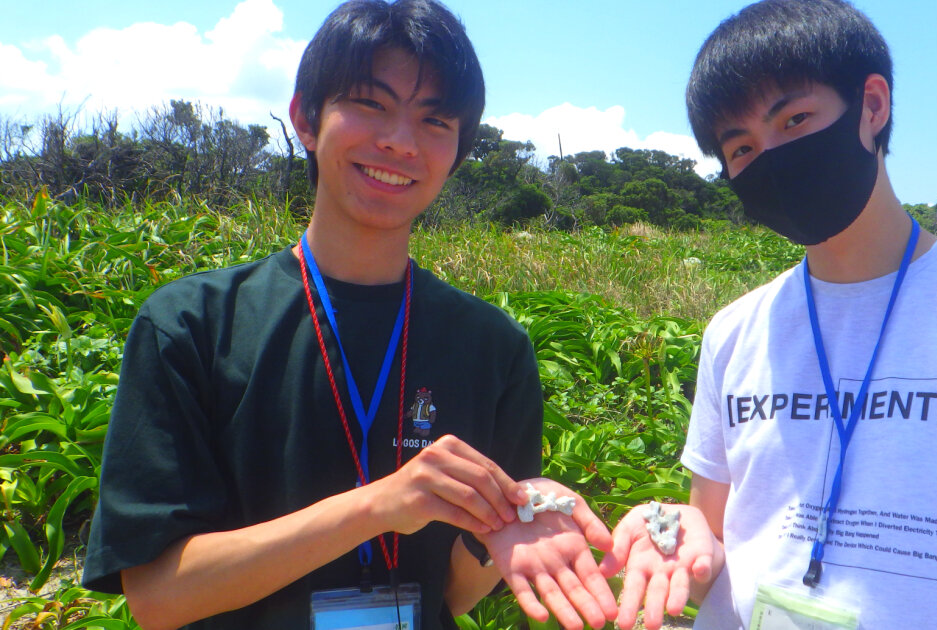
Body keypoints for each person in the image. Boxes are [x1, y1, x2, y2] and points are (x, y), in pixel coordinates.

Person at [81, 2, 617, 629]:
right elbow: (157, 597)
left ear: (457, 150)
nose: (400, 140)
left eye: (435, 119)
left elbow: (454, 592)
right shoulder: (191, 325)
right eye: (370, 103)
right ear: (306, 118)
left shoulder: (495, 348)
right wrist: (375, 508)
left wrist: (509, 521)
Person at [601, 1, 937, 628]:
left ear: (872, 106)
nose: (770, 157)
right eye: (741, 147)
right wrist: (670, 539)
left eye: (795, 119)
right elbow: (714, 554)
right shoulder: (734, 331)